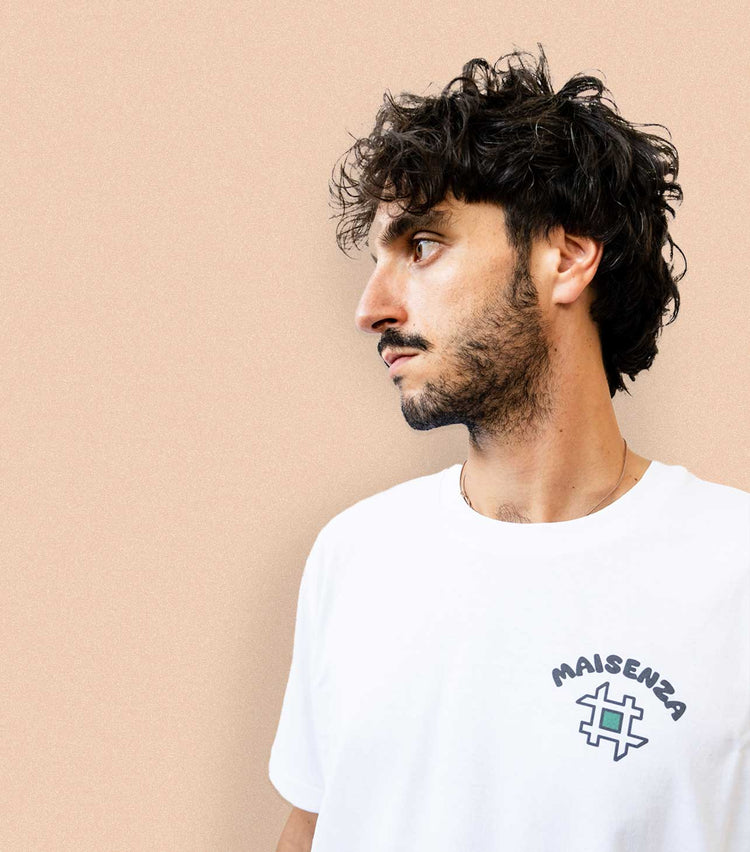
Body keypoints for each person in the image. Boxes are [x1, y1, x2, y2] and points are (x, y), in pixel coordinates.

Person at [269, 46, 750, 851]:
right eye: (379, 259)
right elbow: (315, 826)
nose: (371, 308)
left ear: (567, 257)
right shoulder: (355, 556)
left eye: (422, 246)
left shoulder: (734, 569)